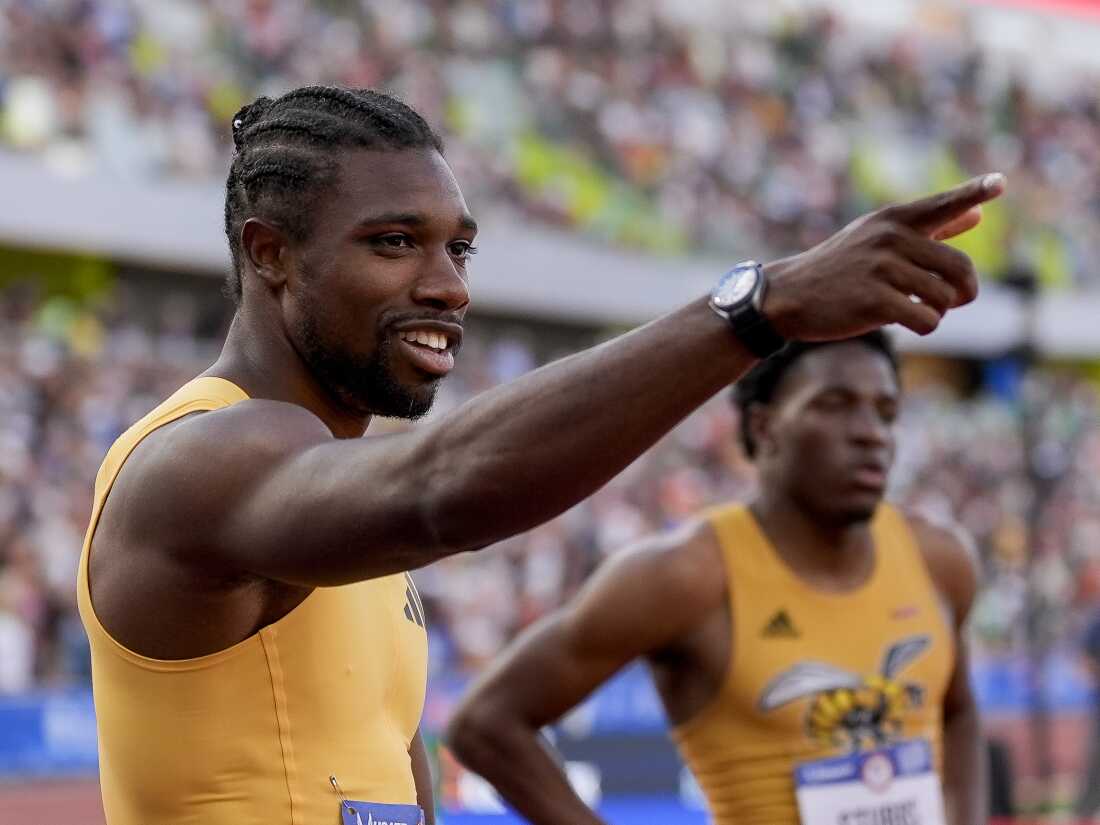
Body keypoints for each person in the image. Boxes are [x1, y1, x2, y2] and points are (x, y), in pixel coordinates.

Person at [75, 84, 1002, 825]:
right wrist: (755, 309)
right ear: (270, 252)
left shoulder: (330, 492)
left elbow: (382, 769)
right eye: (395, 243)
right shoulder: (207, 456)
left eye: (460, 249)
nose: (448, 287)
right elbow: (442, 491)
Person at [448, 333, 985, 825]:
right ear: (763, 426)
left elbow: (957, 710)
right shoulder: (688, 574)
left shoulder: (939, 558)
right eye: (834, 405)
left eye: (885, 412)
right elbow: (486, 724)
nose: (871, 433)